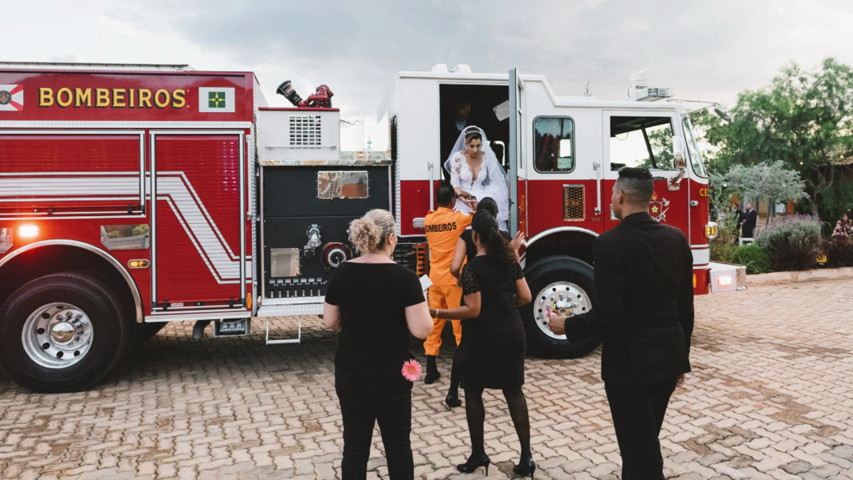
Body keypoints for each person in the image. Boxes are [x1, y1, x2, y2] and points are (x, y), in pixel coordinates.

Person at [548, 167, 694, 479]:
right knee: (643, 444)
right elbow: (686, 309)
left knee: (641, 455)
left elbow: (609, 314)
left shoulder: (608, 243)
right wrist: (682, 358)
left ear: (621, 196)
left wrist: (568, 326)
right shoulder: (677, 239)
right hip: (667, 362)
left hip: (629, 369)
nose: (612, 199)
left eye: (613, 193)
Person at [323, 209, 433, 480]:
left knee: (355, 446)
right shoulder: (405, 278)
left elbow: (329, 321)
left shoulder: (343, 272)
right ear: (391, 239)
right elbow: (421, 329)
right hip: (390, 373)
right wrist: (424, 303)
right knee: (397, 446)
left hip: (351, 370)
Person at [431, 211, 535, 478]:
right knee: (514, 392)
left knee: (474, 391)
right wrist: (504, 306)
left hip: (483, 337)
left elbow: (472, 309)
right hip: (512, 333)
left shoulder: (471, 269)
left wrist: (438, 313)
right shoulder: (509, 260)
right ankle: (526, 457)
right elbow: (526, 296)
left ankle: (478, 453)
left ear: (474, 236)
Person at [423, 184, 473, 392]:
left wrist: (455, 197)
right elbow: (481, 215)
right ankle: (462, 376)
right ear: (452, 200)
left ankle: (430, 370)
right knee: (459, 327)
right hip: (455, 280)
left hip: (435, 279)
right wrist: (465, 198)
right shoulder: (458, 219)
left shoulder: (429, 220)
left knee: (434, 324)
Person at [445, 126, 510, 230]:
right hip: (463, 196)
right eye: (472, 146)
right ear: (466, 144)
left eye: (478, 146)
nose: (475, 150)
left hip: (482, 194)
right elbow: (455, 183)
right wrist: (461, 196)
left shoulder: (487, 157)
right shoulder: (458, 158)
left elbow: (496, 178)